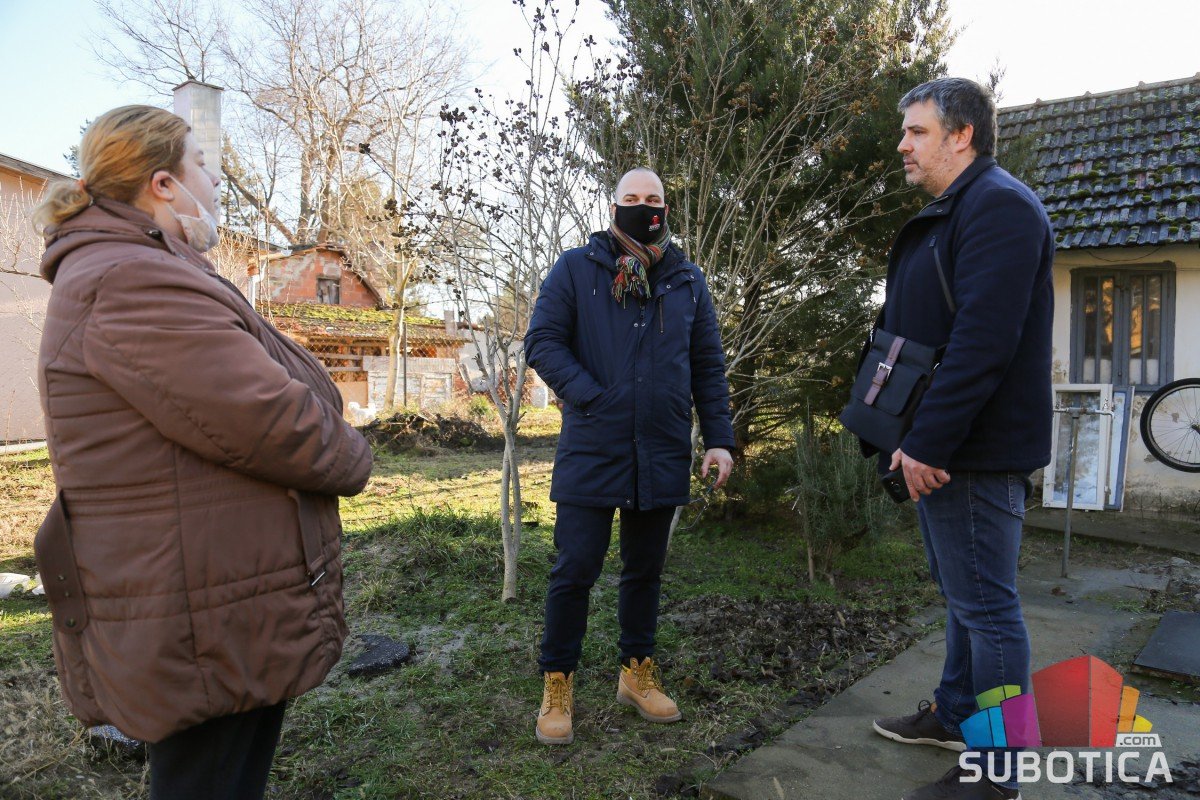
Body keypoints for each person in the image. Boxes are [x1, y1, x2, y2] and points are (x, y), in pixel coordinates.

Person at [32, 105, 373, 800]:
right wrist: (354, 456)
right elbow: (266, 418)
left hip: (208, 589)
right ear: (162, 183)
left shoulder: (137, 266)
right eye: (203, 166)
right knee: (212, 781)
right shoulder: (130, 278)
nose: (216, 183)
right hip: (200, 606)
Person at [867, 78, 1054, 800]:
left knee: (989, 610)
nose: (903, 145)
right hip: (947, 444)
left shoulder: (1000, 207)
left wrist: (930, 443)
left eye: (916, 131)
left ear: (962, 134)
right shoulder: (962, 208)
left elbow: (982, 343)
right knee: (962, 596)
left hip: (972, 452)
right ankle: (954, 712)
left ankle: (1000, 771)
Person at [523, 167, 736, 745]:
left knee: (645, 570)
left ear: (667, 208)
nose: (645, 207)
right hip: (593, 445)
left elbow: (707, 365)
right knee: (575, 569)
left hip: (661, 447)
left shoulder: (686, 280)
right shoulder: (577, 268)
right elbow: (542, 341)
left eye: (655, 199)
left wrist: (719, 437)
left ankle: (636, 673)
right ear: (613, 207)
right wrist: (593, 397)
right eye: (632, 199)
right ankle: (558, 681)